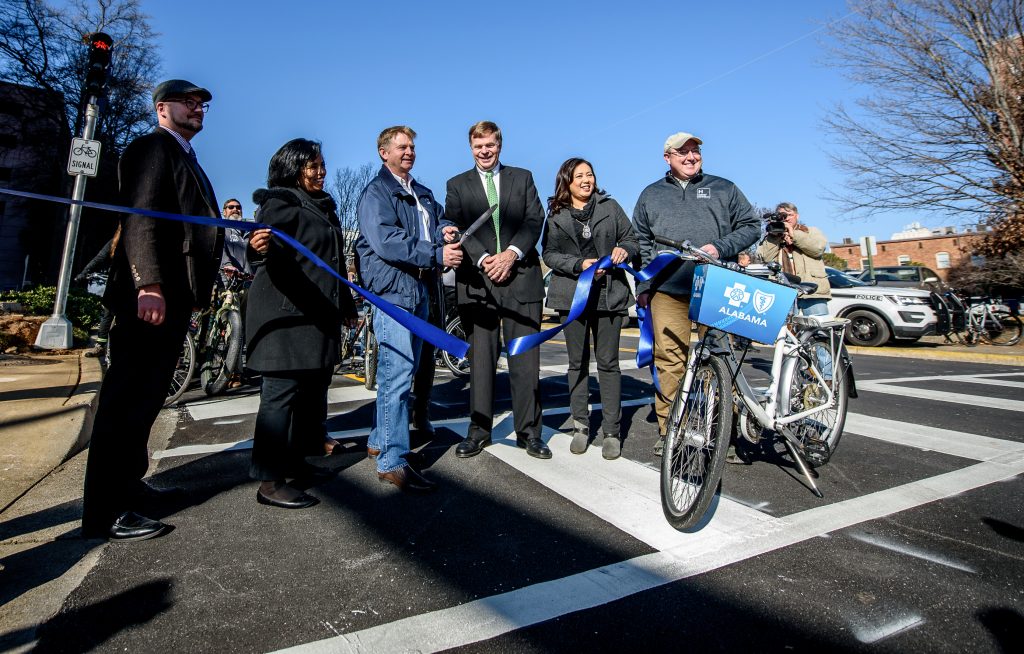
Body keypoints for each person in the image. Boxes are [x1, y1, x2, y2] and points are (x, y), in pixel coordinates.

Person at [81, 79, 223, 541]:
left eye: (201, 102)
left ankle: (129, 488)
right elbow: (139, 216)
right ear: (162, 108)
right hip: (152, 297)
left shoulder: (184, 156)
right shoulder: (150, 148)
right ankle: (105, 511)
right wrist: (150, 284)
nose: (198, 107)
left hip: (176, 297)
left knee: (145, 401)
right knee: (125, 403)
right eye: (189, 101)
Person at [632, 132, 760, 457]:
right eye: (682, 152)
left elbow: (750, 225)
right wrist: (644, 287)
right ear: (667, 157)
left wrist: (720, 246)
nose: (691, 157)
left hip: (715, 287)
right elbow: (641, 242)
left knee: (721, 359)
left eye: (695, 151)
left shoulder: (724, 188)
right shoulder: (650, 195)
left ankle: (724, 435)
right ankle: (671, 430)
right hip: (667, 289)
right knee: (669, 361)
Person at [245, 139, 357, 509]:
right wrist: (255, 248)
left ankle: (295, 463)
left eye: (323, 164)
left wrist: (345, 304)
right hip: (286, 316)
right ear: (293, 168)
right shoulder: (280, 203)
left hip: (318, 316)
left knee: (308, 395)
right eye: (312, 166)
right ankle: (270, 481)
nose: (320, 171)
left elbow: (336, 263)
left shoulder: (325, 207)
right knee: (279, 398)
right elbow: (261, 244)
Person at [355, 126, 462, 493]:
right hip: (393, 293)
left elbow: (438, 220)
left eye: (412, 146)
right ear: (383, 153)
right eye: (401, 147)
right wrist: (436, 253)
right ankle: (392, 461)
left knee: (403, 372)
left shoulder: (421, 193)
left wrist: (446, 230)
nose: (409, 152)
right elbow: (388, 241)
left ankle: (377, 441)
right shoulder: (376, 193)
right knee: (397, 376)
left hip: (420, 290)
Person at [445, 121, 549, 460]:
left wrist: (511, 254)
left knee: (525, 361)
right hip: (479, 282)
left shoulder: (523, 178)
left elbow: (535, 220)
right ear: (470, 148)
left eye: (490, 145)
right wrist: (486, 258)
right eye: (478, 147)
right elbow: (456, 225)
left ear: (499, 144)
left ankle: (530, 433)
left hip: (522, 279)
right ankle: (478, 432)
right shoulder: (457, 185)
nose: (485, 151)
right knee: (481, 362)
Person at [541, 158, 639, 459]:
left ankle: (612, 430)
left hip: (610, 296)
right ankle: (581, 425)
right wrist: (578, 265)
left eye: (590, 174)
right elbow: (549, 253)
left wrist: (624, 249)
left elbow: (632, 240)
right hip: (573, 296)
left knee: (609, 362)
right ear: (567, 182)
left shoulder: (610, 207)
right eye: (579, 176)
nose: (586, 180)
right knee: (576, 362)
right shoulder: (556, 215)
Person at [756, 202, 832, 316]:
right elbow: (765, 257)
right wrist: (774, 237)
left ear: (797, 215)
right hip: (783, 292)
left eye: (789, 215)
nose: (786, 218)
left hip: (812, 290)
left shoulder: (811, 231)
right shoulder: (772, 237)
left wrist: (794, 234)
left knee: (819, 329)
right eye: (782, 215)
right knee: (784, 331)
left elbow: (817, 249)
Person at [74, 237, 115, 359]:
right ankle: (100, 345)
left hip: (138, 285)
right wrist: (84, 272)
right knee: (108, 312)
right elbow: (99, 258)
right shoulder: (114, 242)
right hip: (116, 282)